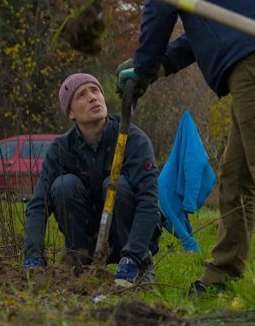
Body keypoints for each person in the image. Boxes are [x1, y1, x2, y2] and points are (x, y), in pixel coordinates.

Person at [116, 0, 255, 294]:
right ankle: (220, 277)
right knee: (237, 180)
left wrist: (145, 70)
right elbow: (211, 25)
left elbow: (161, 3)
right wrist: (158, 65)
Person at [22, 73, 162, 286]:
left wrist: (134, 253)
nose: (92, 98)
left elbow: (149, 201)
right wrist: (33, 256)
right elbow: (38, 205)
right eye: (81, 95)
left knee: (117, 186)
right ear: (70, 113)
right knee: (63, 186)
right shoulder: (61, 149)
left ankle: (139, 264)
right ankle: (80, 263)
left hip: (127, 233)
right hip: (85, 233)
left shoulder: (134, 140)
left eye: (95, 90)